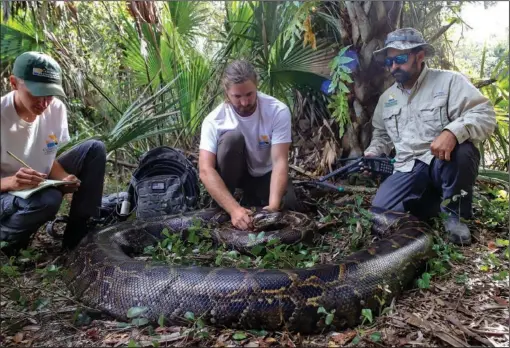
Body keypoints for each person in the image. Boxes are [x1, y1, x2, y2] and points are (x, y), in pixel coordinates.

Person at [365, 28, 496, 245]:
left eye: (400, 59)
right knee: (379, 213)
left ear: (420, 56)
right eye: (389, 62)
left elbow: (484, 114)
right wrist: (373, 152)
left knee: (463, 151)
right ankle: (434, 204)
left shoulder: (449, 82)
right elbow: (381, 135)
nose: (394, 66)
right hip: (407, 167)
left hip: (441, 161)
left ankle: (455, 216)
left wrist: (452, 132)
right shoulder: (387, 98)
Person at [1, 51, 107, 255]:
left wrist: (64, 178)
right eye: (36, 93)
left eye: (49, 94)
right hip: (6, 194)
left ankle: (78, 239)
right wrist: (11, 182)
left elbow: (47, 160)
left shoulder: (56, 109)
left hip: (35, 185)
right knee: (48, 199)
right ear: (14, 83)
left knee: (94, 149)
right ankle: (8, 242)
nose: (43, 103)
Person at [198, 60, 300, 230]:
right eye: (237, 96)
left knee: (289, 207)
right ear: (226, 92)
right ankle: (228, 200)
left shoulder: (277, 110)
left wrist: (273, 208)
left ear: (256, 86)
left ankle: (253, 199)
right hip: (236, 176)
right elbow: (205, 170)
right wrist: (234, 210)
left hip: (265, 174)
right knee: (231, 139)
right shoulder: (214, 120)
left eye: (249, 94)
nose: (245, 102)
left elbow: (280, 161)